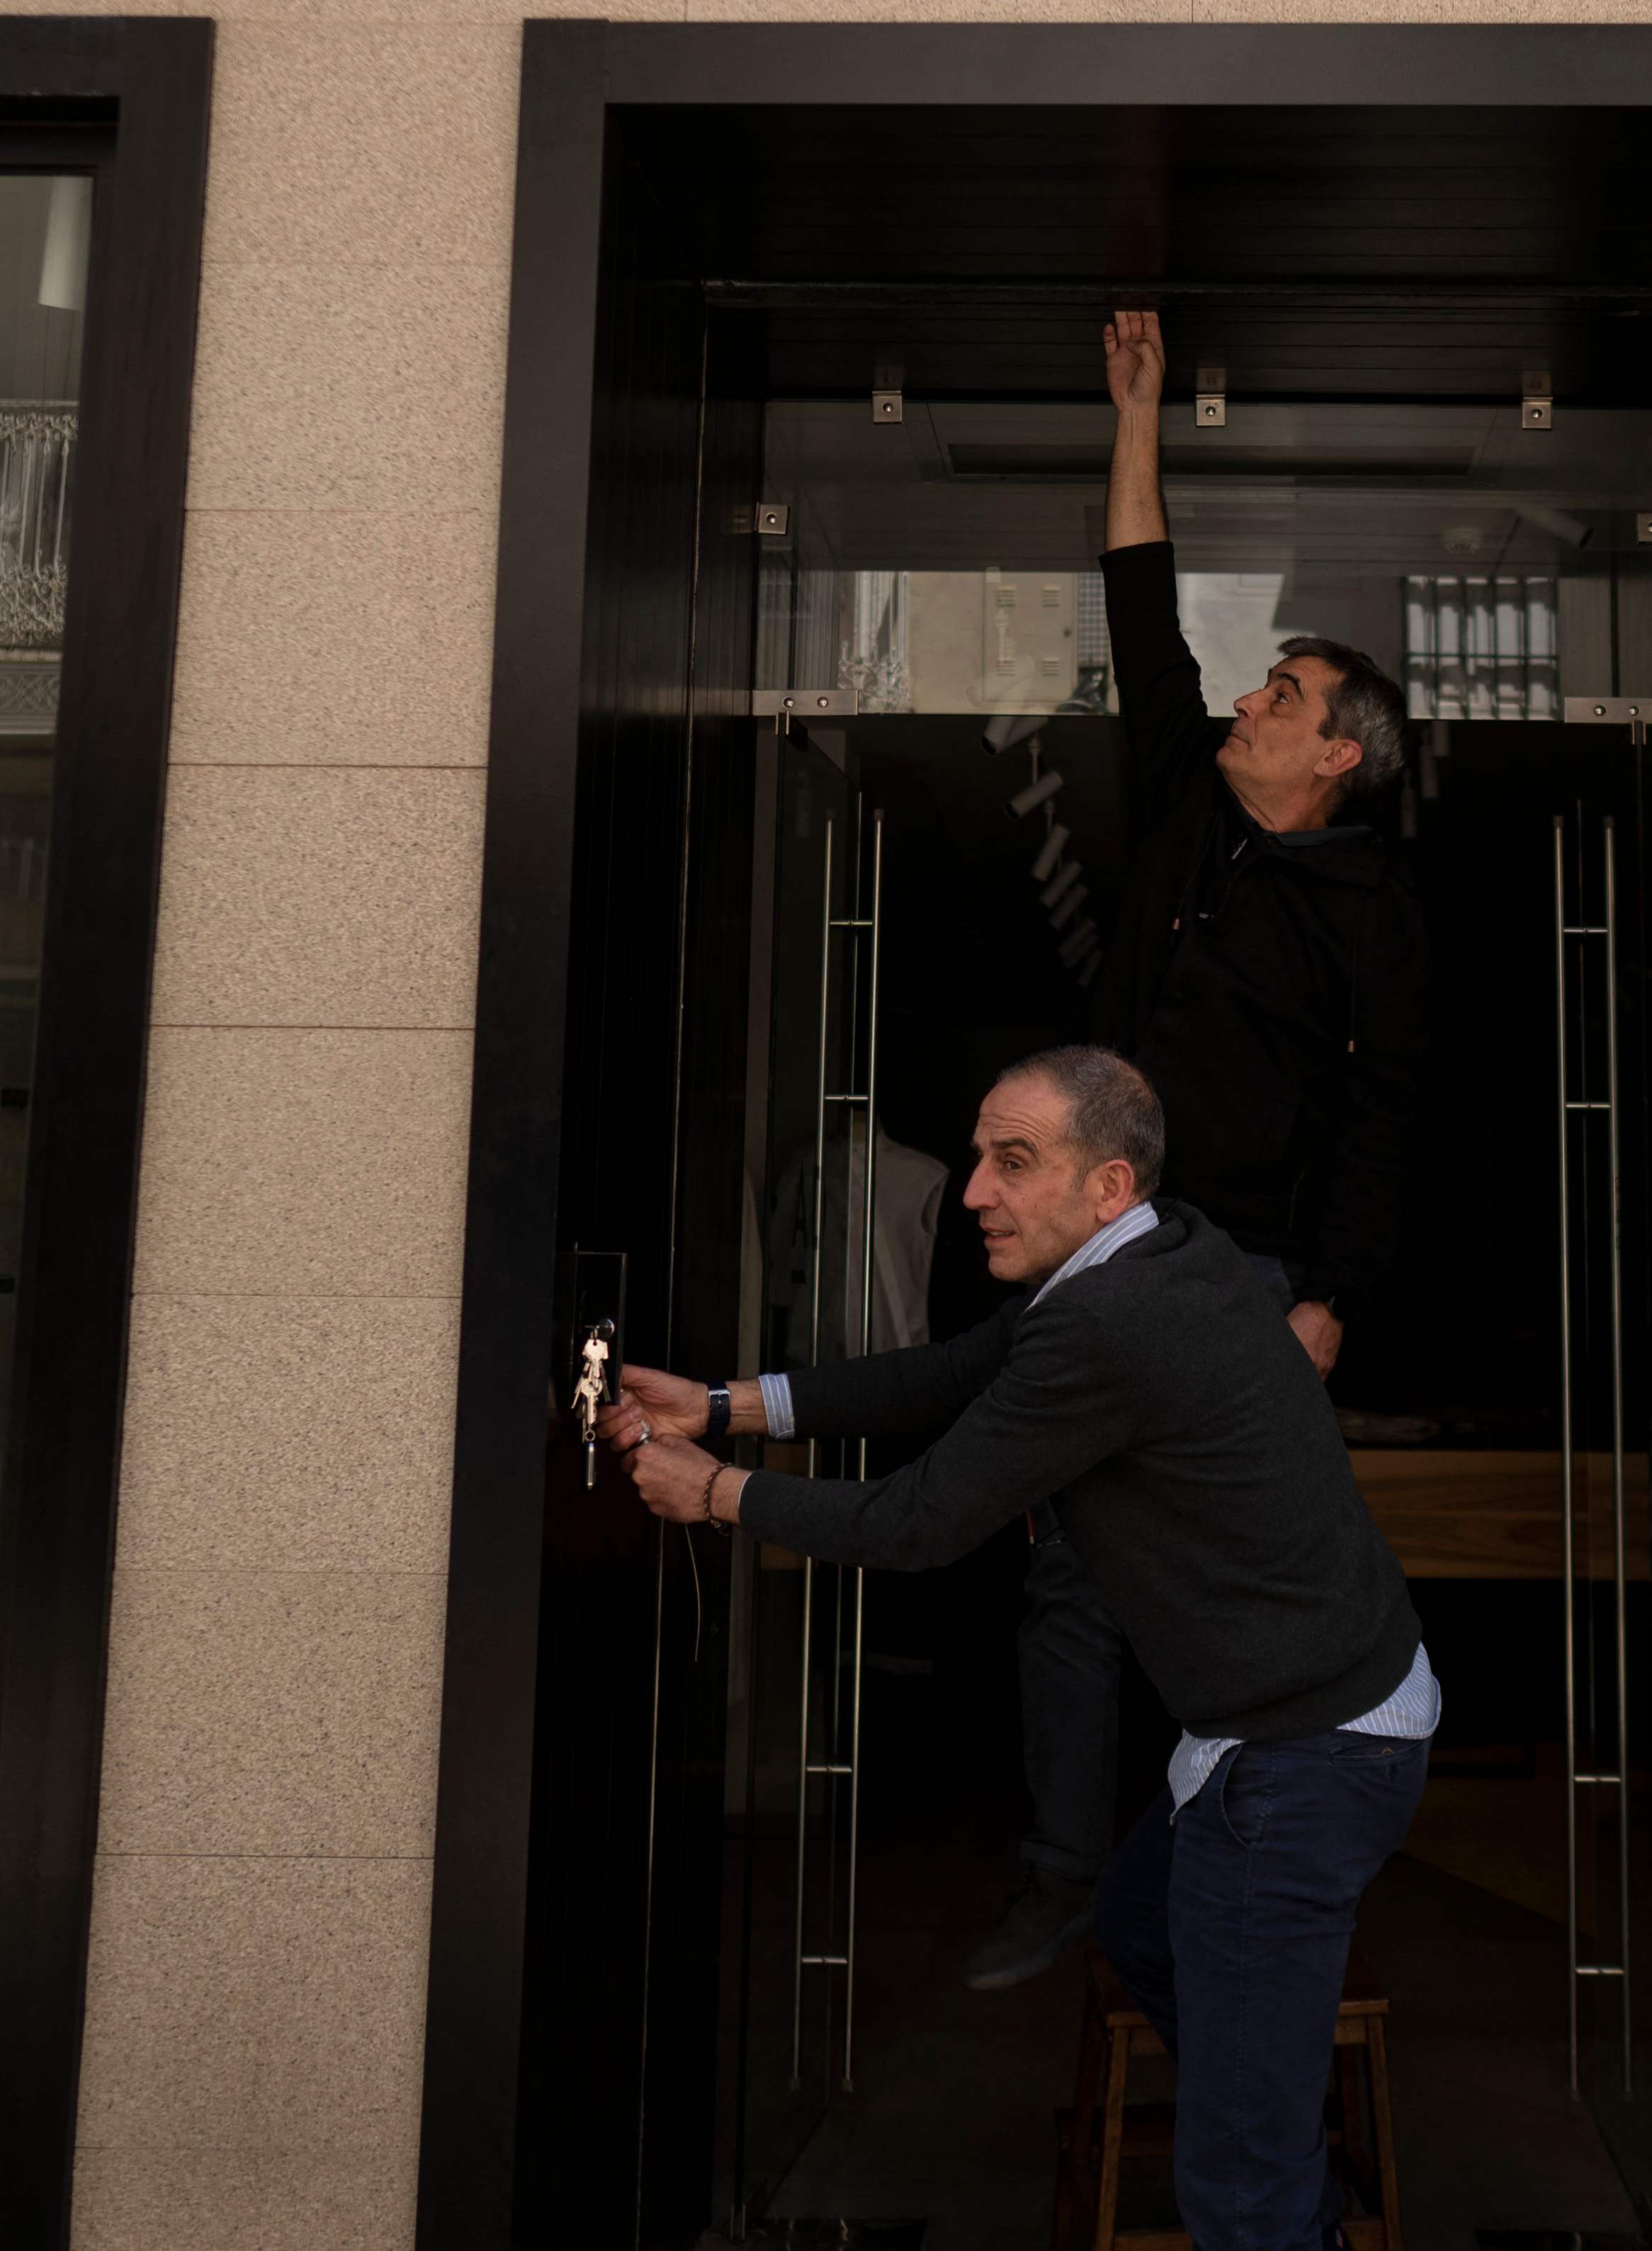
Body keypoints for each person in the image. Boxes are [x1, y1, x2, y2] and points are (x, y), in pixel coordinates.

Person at [606, 1045, 1435, 2251]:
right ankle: (1269, 2133)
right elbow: (953, 1370)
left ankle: (1271, 2175)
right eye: (980, 1156)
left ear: (1107, 1184)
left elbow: (919, 1520)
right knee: (1142, 1927)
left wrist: (714, 1489)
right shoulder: (1165, 1246)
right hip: (1299, 1722)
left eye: (1013, 1161)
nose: (975, 1191)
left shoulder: (1111, 1320)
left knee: (1236, 2191)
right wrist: (729, 1403)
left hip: (1304, 1756)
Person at [966, 309, 1431, 1993]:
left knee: (1217, 1579)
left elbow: (1383, 1121)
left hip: (1243, 1280)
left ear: (1337, 754)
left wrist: (1324, 1301)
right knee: (1071, 1579)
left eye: (1283, 694)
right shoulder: (1182, 794)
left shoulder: (1372, 913)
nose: (1249, 698)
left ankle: (1219, 1873)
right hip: (1105, 1252)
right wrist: (1136, 415)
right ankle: (1062, 1875)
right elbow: (1140, 608)